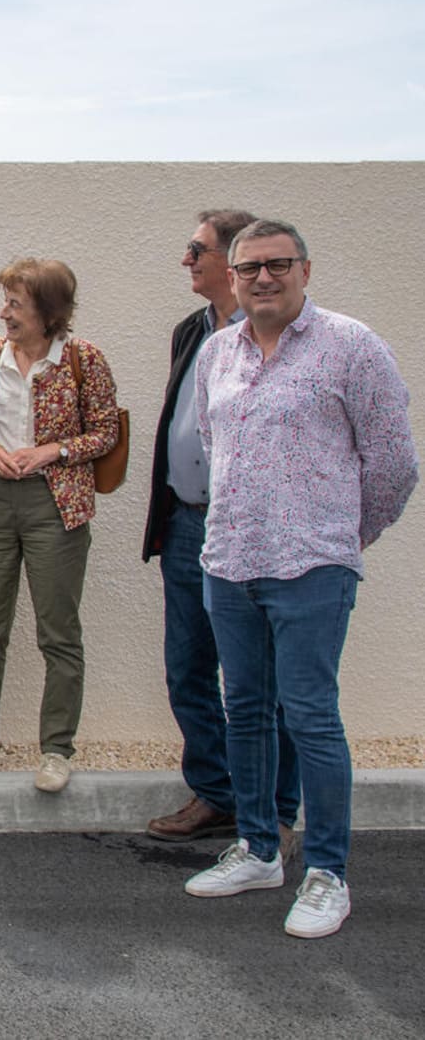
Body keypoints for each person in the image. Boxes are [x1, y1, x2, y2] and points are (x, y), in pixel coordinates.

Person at [183, 219, 416, 939]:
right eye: (249, 267)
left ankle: (326, 872)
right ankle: (258, 848)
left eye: (277, 265)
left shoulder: (352, 346)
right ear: (235, 276)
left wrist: (344, 534)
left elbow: (393, 464)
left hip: (312, 565)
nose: (262, 278)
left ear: (305, 271)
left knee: (310, 715)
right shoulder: (218, 352)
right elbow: (213, 443)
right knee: (245, 708)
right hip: (229, 560)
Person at [141, 210, 301, 848]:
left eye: (197, 250)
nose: (188, 260)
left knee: (262, 678)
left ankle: (277, 810)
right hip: (187, 522)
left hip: (252, 529)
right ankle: (217, 793)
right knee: (187, 666)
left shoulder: (278, 332)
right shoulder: (193, 330)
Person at [0, 259, 119, 793]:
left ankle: (56, 749)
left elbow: (106, 434)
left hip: (56, 503)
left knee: (58, 632)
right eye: (5, 302)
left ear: (50, 313)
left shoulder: (83, 359)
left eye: (15, 304)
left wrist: (54, 450)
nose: (4, 313)